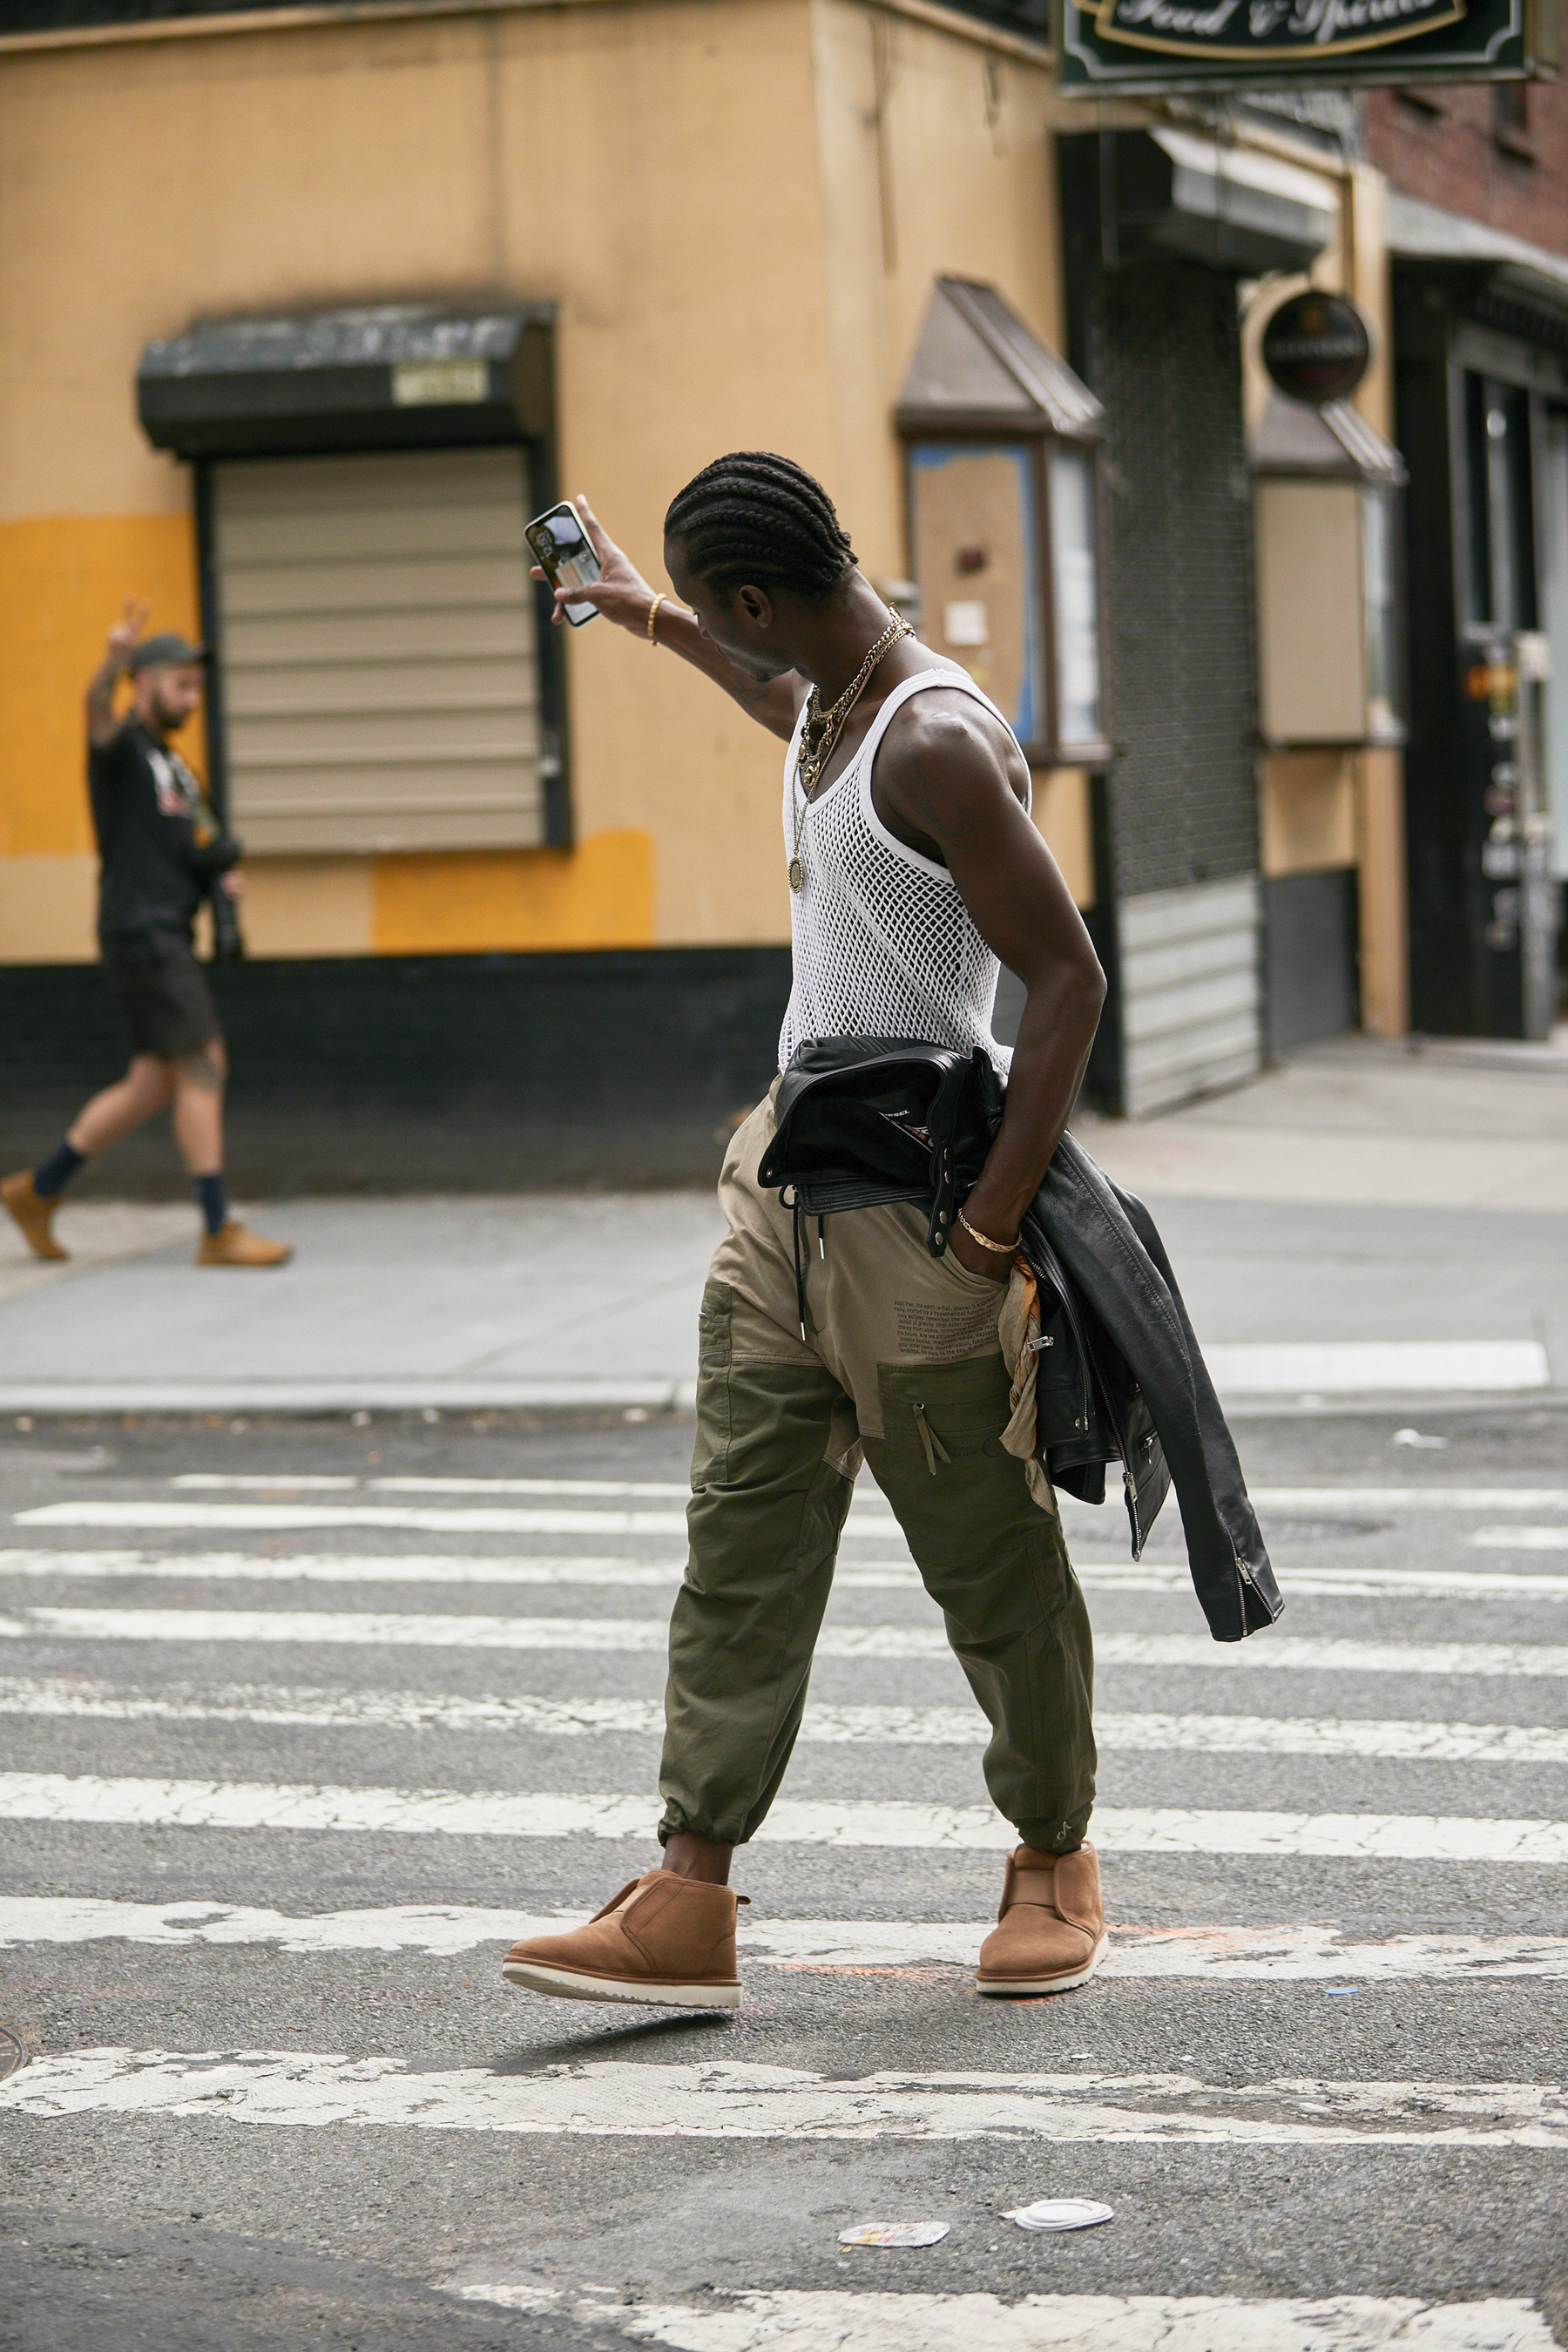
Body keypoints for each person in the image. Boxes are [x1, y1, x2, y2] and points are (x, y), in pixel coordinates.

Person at [502, 455, 1108, 2011]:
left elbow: (1067, 980)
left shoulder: (943, 742)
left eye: (723, 610)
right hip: (781, 1200)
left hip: (918, 1215)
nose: (734, 636)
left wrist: (982, 1241)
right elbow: (786, 708)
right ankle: (688, 1895)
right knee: (741, 1543)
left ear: (765, 595)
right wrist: (647, 619)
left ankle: (1052, 1855)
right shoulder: (836, 704)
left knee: (986, 1558)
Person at [1, 602, 290, 1269]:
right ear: (146, 681)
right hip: (143, 930)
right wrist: (111, 660)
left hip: (161, 927)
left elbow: (191, 848)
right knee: (204, 1062)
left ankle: (37, 1191)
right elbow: (95, 710)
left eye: (195, 685)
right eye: (179, 682)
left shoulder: (175, 768)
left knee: (154, 1083)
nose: (191, 695)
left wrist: (217, 879)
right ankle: (217, 1228)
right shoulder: (123, 749)